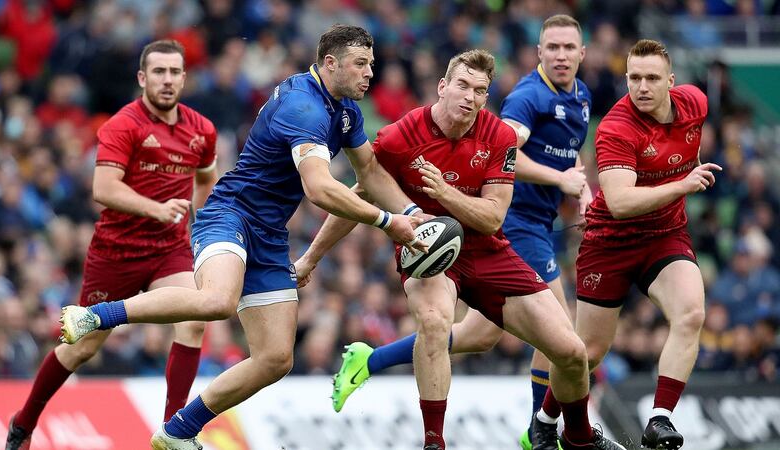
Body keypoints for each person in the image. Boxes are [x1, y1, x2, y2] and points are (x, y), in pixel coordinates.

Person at [57, 25, 425, 450]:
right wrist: (386, 221)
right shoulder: (305, 108)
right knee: (216, 301)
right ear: (330, 63)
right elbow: (320, 189)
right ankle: (95, 317)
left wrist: (413, 213)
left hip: (268, 234)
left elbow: (372, 173)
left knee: (275, 359)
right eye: (360, 64)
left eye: (372, 65)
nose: (369, 74)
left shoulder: (344, 111)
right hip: (229, 214)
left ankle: (178, 431)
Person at [294, 49, 622, 450]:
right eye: (463, 86)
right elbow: (361, 194)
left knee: (572, 352)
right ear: (442, 87)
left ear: (486, 98)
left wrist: (444, 193)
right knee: (434, 324)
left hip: (487, 249)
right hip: (426, 249)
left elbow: (492, 218)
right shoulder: (401, 136)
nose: (470, 97)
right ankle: (435, 442)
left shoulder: (499, 135)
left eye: (480, 90)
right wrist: (312, 256)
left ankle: (578, 438)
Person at [5, 40, 218, 450]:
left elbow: (207, 178)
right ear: (142, 78)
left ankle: (173, 431)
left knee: (195, 316)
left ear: (184, 78)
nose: (168, 80)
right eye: (159, 72)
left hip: (168, 251)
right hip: (116, 252)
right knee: (81, 348)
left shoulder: (201, 129)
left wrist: (199, 215)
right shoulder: (124, 125)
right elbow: (103, 188)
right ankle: (24, 420)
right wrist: (157, 209)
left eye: (175, 72)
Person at [537, 39, 721, 450]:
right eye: (634, 78)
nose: (641, 86)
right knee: (587, 352)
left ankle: (660, 418)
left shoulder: (695, 103)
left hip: (664, 236)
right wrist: (682, 183)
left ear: (671, 82)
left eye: (652, 78)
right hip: (611, 243)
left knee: (691, 314)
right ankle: (545, 419)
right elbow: (619, 203)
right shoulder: (617, 128)